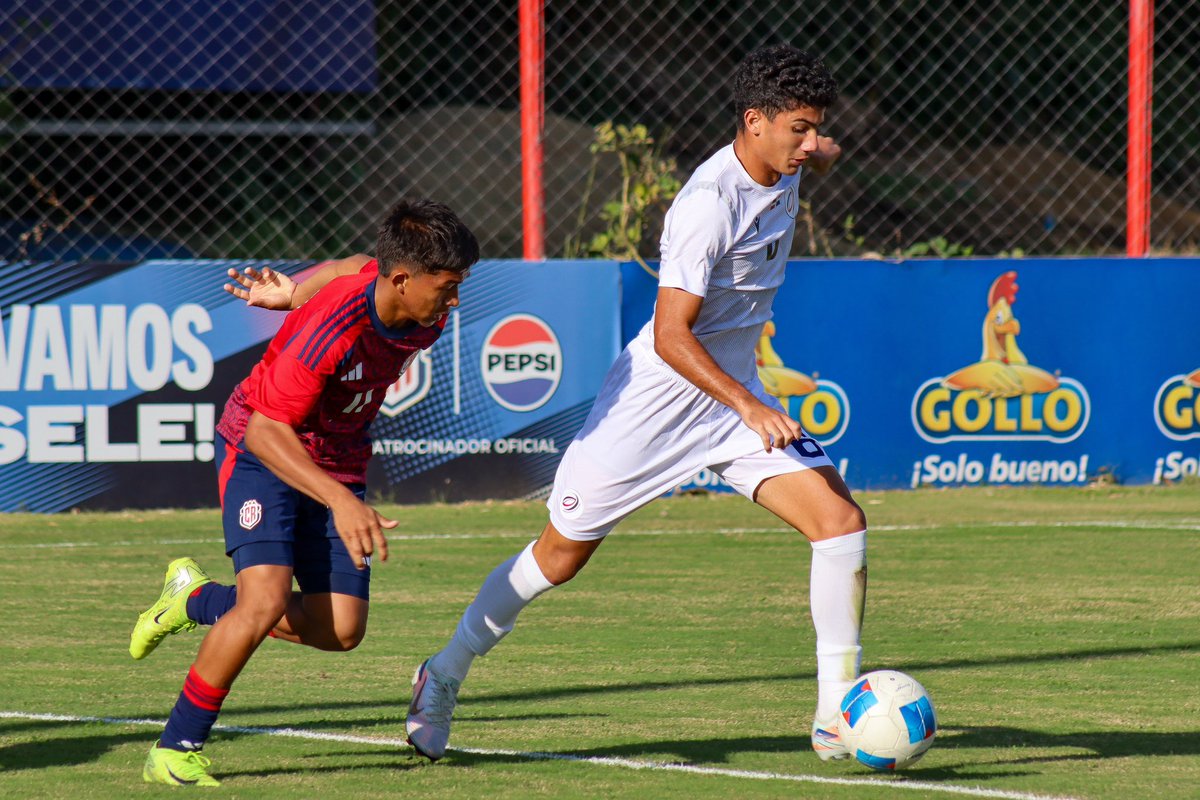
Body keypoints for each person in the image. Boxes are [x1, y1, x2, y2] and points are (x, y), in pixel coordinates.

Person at [405, 44, 866, 764]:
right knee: (558, 558)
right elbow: (671, 335)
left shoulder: (789, 161)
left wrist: (820, 150)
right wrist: (749, 404)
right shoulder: (707, 208)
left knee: (839, 524)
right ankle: (444, 671)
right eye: (800, 128)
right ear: (753, 122)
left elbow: (821, 154)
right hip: (654, 407)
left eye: (816, 129)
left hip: (727, 406)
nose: (810, 142)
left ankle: (838, 712)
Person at [129, 199, 479, 786]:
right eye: (446, 287)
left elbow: (354, 263)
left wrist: (292, 291)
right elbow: (268, 432)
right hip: (262, 448)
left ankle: (193, 600)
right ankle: (174, 748)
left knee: (339, 630)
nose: (454, 300)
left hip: (336, 457)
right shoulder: (333, 328)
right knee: (263, 601)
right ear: (403, 279)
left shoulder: (413, 304)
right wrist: (342, 501)